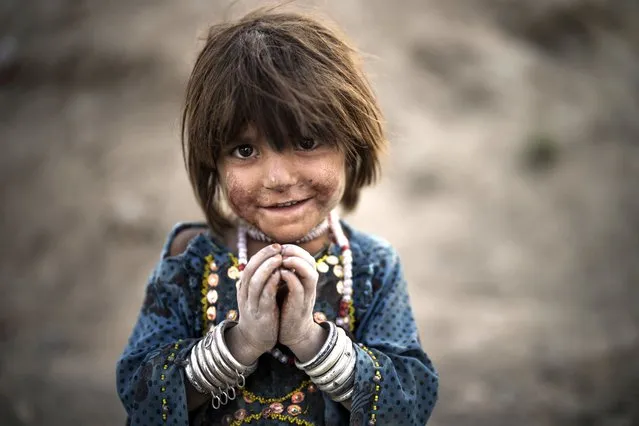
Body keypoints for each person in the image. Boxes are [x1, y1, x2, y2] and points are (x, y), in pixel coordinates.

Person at [116, 7, 438, 426]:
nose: (278, 178)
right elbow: (139, 393)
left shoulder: (372, 267)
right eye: (244, 150)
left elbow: (411, 402)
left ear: (352, 143)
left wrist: (311, 340)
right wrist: (241, 343)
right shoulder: (191, 259)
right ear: (213, 161)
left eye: (306, 141)